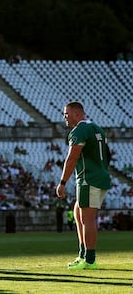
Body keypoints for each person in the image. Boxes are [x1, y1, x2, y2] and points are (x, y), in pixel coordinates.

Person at [57, 101, 111, 271]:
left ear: (77, 113)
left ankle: (89, 259)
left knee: (88, 219)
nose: (64, 117)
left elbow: (72, 158)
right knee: (78, 213)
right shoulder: (97, 128)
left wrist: (62, 183)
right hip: (99, 176)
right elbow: (107, 155)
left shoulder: (80, 130)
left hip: (89, 179)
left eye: (67, 113)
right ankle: (83, 255)